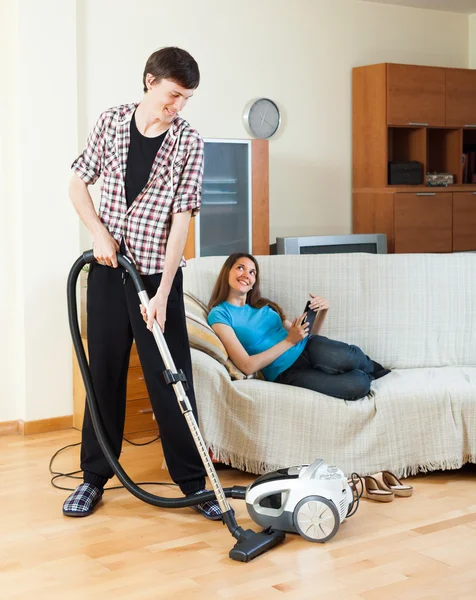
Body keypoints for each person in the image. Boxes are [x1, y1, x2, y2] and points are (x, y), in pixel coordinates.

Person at [64, 47, 222, 521]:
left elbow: (181, 220)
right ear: (150, 81)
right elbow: (77, 182)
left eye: (187, 99)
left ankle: (194, 483)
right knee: (104, 373)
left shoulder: (189, 141)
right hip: (109, 273)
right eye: (174, 95)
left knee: (170, 378)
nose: (179, 107)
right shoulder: (112, 123)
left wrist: (163, 292)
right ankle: (94, 478)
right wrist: (100, 234)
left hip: (158, 276)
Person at [207, 253, 390, 400]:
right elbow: (247, 366)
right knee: (357, 386)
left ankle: (379, 372)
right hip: (285, 372)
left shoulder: (264, 305)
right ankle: (360, 376)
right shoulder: (219, 314)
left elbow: (303, 335)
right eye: (241, 268)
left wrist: (322, 311)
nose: (247, 275)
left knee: (351, 356)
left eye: (252, 272)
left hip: (307, 347)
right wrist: (288, 341)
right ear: (227, 272)